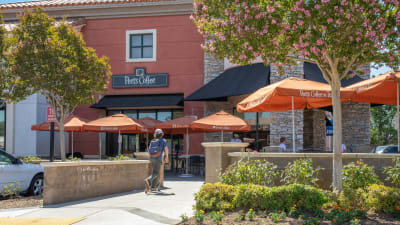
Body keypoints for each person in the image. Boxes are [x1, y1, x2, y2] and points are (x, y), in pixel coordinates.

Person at [144, 129, 169, 193]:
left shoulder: (152, 140)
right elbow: (166, 149)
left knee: (156, 172)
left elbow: (149, 150)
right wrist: (167, 157)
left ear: (155, 134)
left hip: (151, 158)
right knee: (156, 173)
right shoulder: (163, 141)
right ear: (162, 134)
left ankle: (153, 187)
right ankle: (148, 180)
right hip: (158, 158)